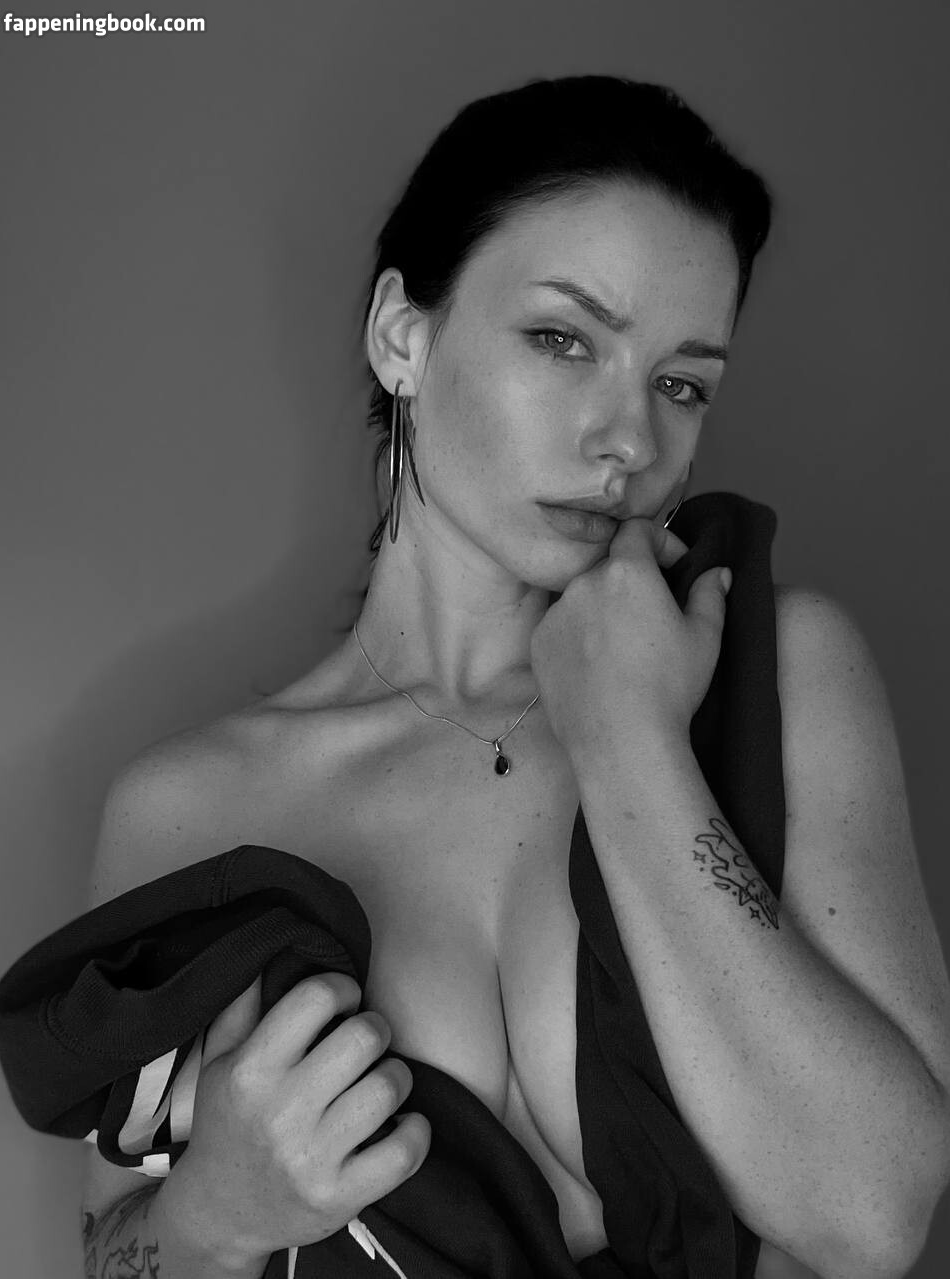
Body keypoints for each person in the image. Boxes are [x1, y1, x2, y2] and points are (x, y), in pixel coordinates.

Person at [80, 75, 950, 1278]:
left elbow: (873, 1212)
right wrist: (210, 1213)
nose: (628, 440)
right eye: (561, 340)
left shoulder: (778, 669)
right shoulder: (187, 811)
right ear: (402, 336)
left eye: (681, 383)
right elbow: (113, 1252)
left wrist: (628, 739)